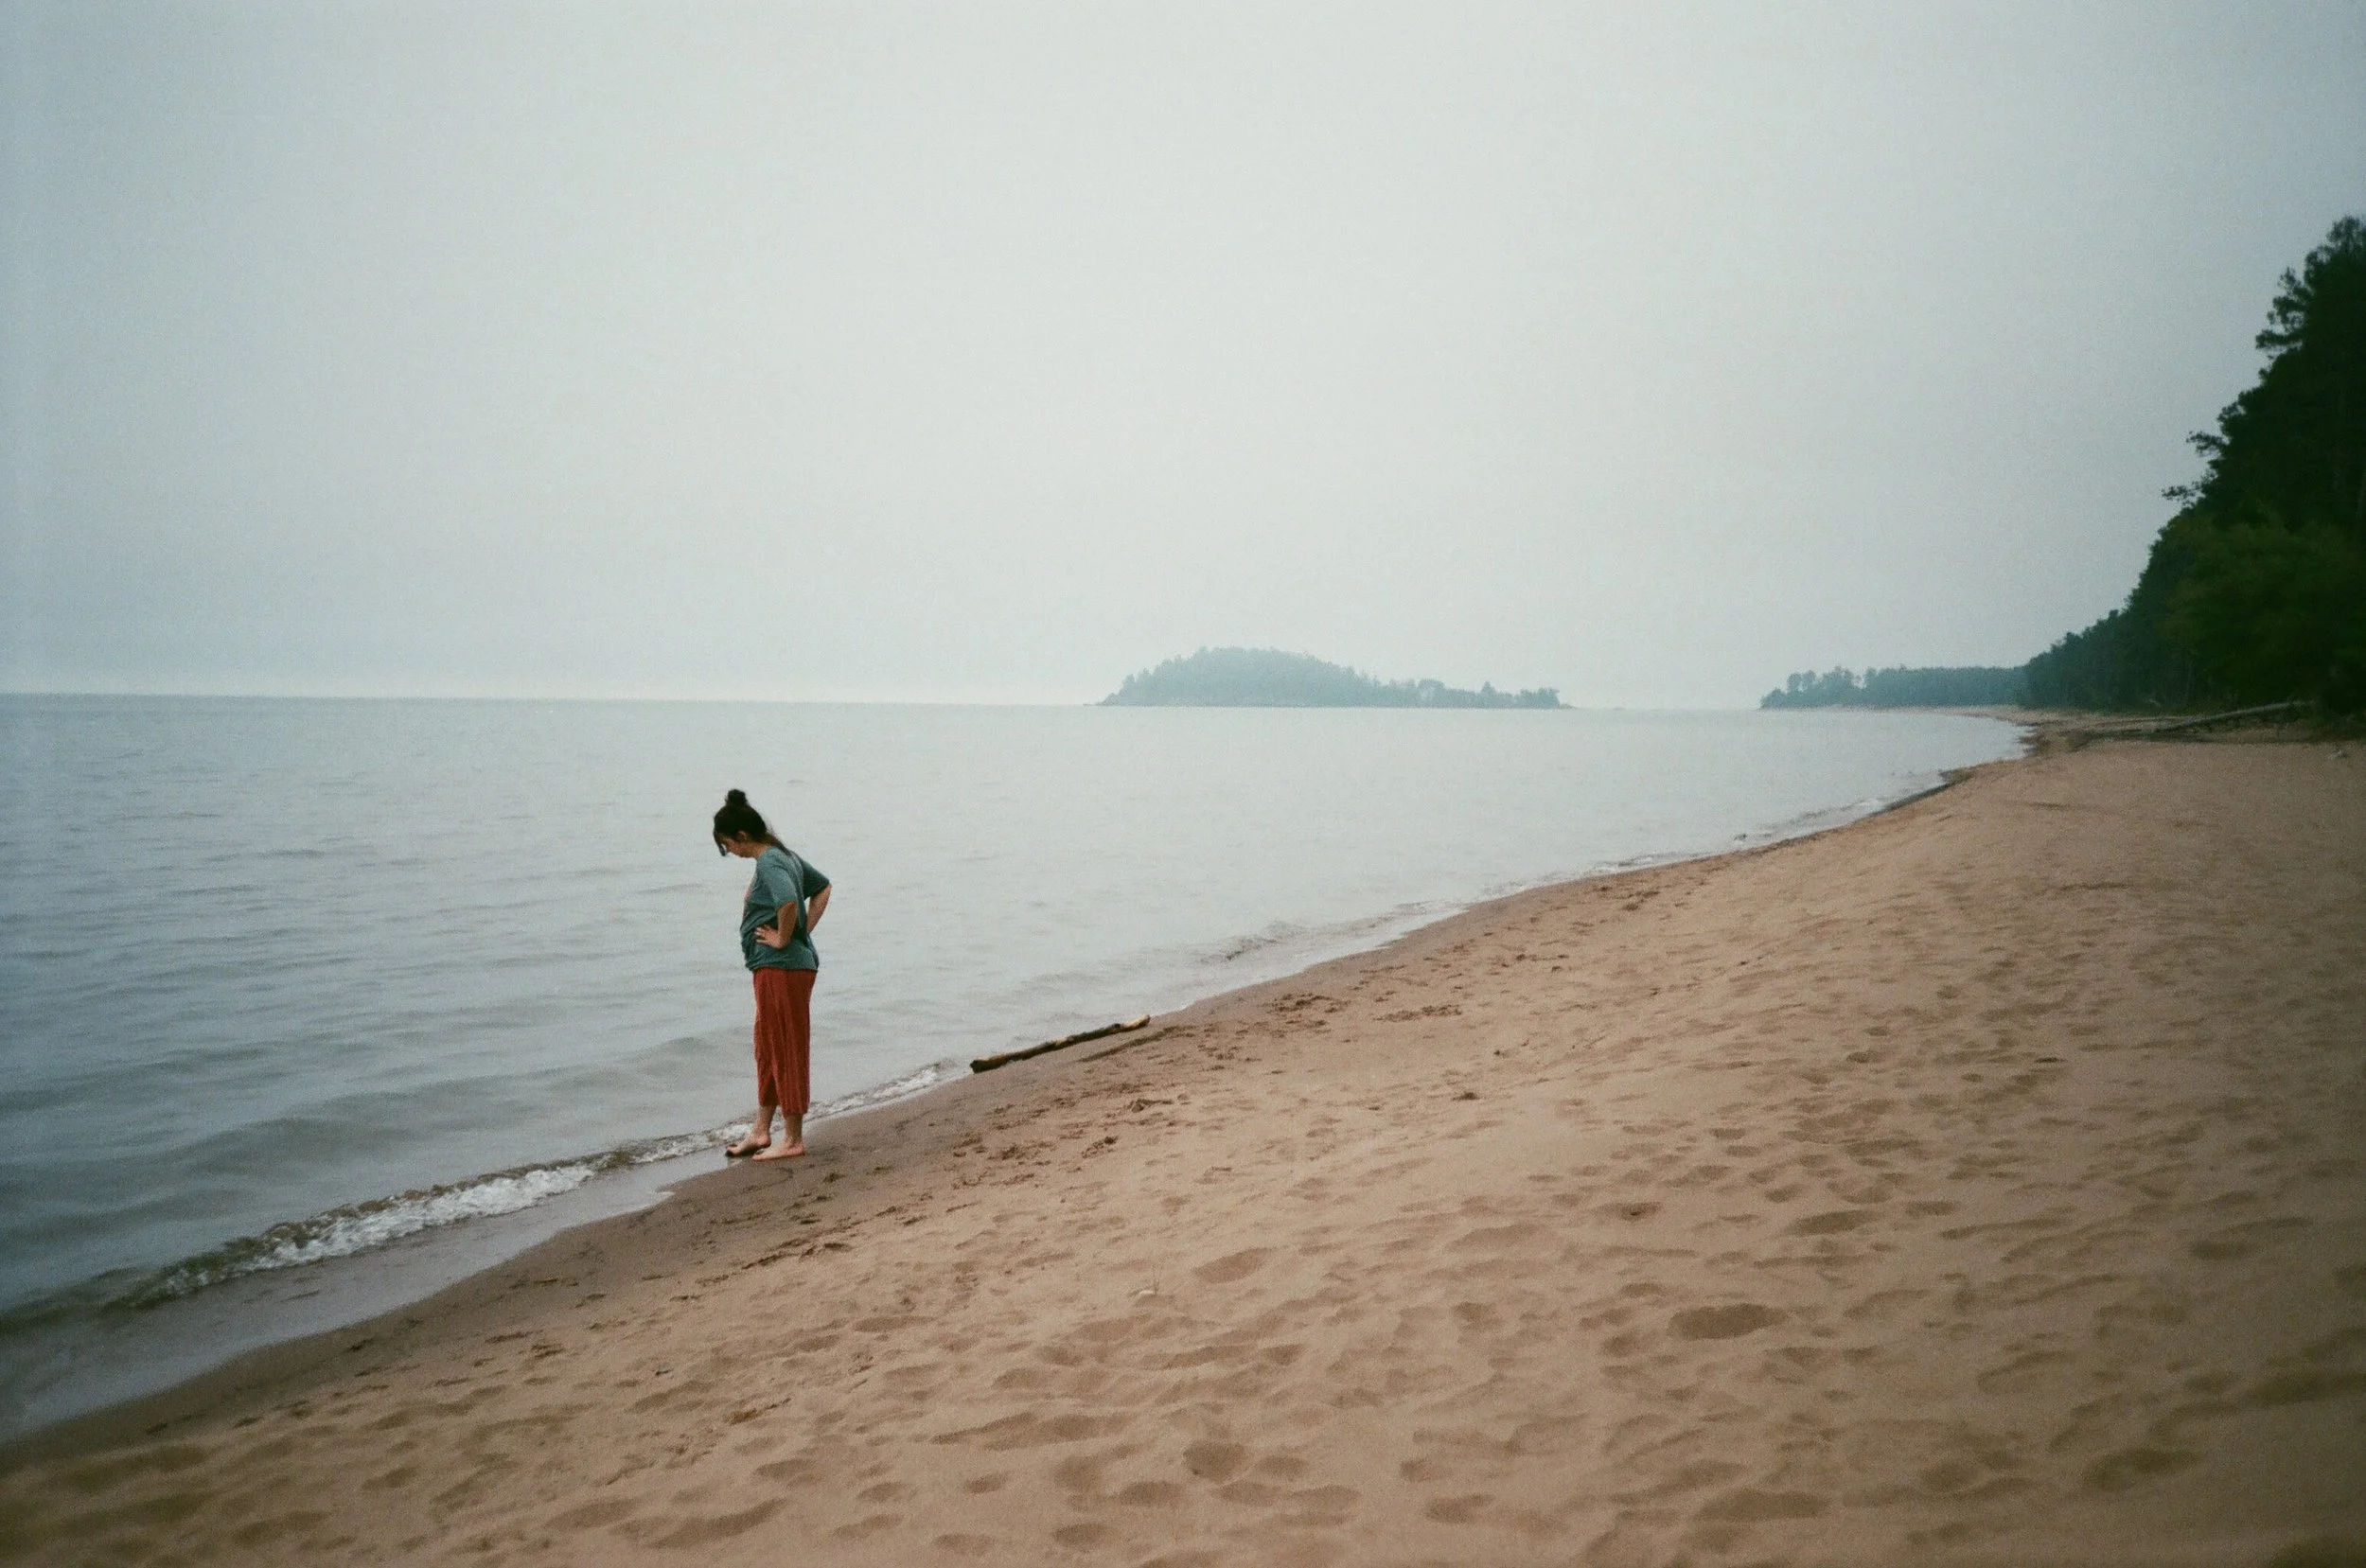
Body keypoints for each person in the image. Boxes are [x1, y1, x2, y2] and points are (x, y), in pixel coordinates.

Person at [712, 789, 832, 1161]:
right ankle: (762, 1131)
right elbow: (823, 887)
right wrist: (801, 935)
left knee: (785, 1047)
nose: (729, 851)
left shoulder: (770, 862)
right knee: (767, 1047)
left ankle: (793, 1139)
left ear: (742, 836)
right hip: (777, 967)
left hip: (783, 968)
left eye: (727, 844)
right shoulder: (784, 857)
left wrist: (786, 938)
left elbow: (789, 901)